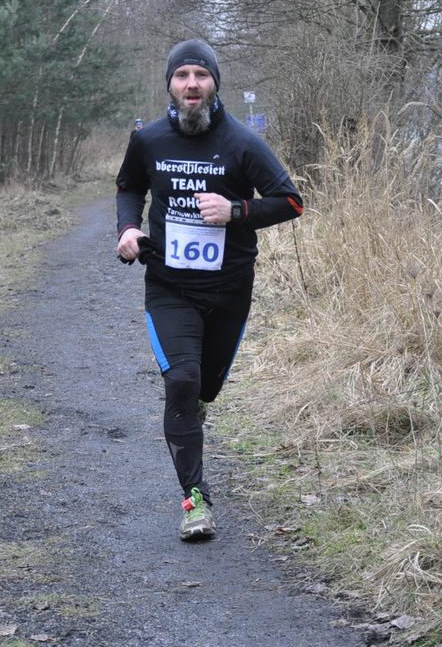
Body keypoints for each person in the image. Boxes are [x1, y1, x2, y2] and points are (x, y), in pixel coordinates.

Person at [115, 39, 304, 540]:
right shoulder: (149, 140)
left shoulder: (242, 142)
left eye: (201, 75)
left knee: (205, 389)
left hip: (229, 290)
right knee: (181, 380)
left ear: (214, 83)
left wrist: (236, 210)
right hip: (169, 285)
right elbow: (129, 187)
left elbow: (291, 201)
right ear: (170, 85)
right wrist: (128, 229)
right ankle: (195, 500)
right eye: (182, 76)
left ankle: (194, 408)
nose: (192, 84)